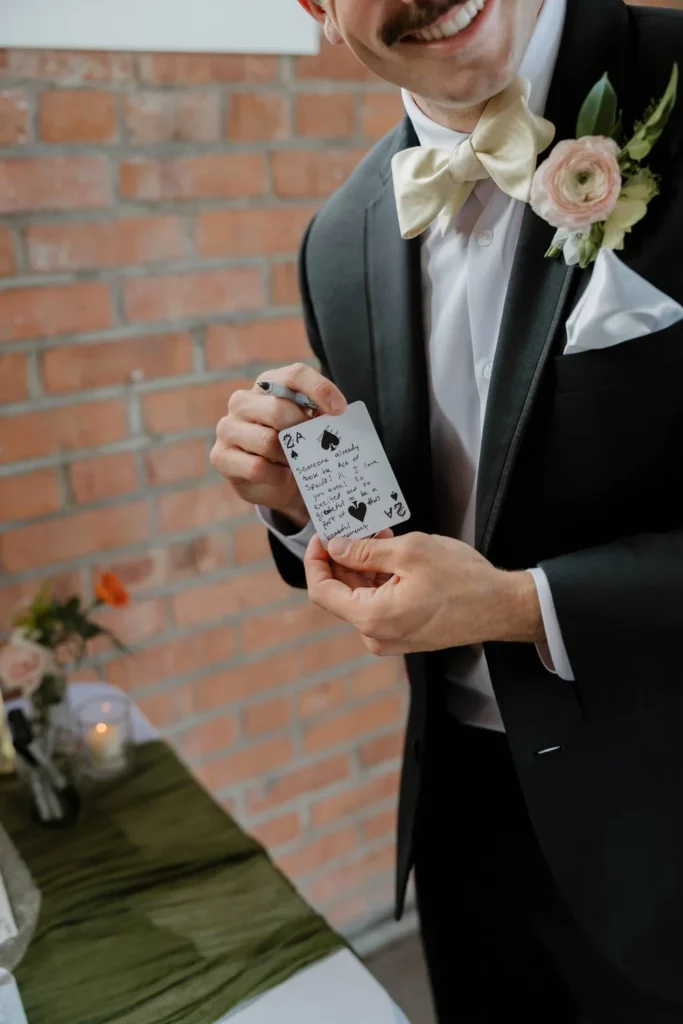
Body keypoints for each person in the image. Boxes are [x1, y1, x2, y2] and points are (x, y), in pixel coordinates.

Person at [211, 1, 683, 1020]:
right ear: (316, 8)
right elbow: (399, 526)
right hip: (466, 836)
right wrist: (302, 509)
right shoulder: (337, 239)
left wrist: (522, 604)